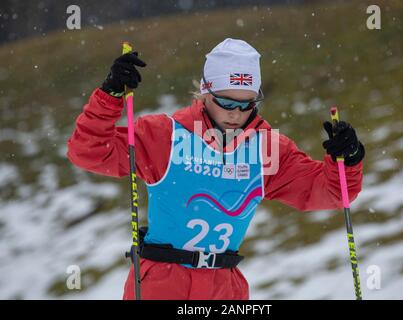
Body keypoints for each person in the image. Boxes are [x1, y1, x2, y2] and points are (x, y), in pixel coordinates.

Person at [67, 38, 365, 300]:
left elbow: (333, 192)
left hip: (225, 287)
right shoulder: (165, 136)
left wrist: (348, 158)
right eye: (225, 103)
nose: (236, 114)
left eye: (247, 105)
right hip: (159, 285)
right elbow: (87, 151)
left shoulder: (267, 150)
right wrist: (110, 96)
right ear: (205, 92)